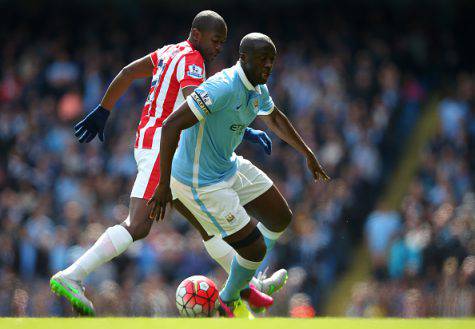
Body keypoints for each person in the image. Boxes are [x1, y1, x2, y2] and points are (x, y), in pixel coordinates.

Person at [50, 11, 284, 316]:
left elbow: (126, 73)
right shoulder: (192, 61)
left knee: (206, 227)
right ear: (197, 35)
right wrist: (247, 128)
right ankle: (72, 276)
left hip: (156, 144)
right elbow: (195, 106)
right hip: (163, 148)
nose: (218, 48)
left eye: (223, 43)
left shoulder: (167, 51)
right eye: (215, 41)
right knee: (139, 223)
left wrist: (103, 109)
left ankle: (249, 285)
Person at [147, 32, 330, 318]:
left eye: (272, 60)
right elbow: (171, 125)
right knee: (254, 250)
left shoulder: (257, 87)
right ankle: (229, 299)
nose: (268, 65)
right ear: (243, 58)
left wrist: (306, 152)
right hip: (201, 180)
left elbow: (274, 117)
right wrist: (161, 185)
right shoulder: (221, 87)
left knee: (280, 217)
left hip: (228, 165)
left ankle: (248, 287)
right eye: (262, 60)